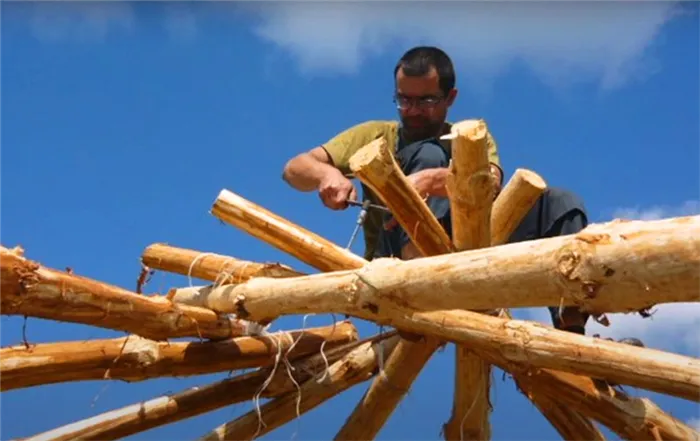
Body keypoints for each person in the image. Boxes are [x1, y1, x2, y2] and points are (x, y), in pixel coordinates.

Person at [282, 45, 638, 343]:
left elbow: (492, 184)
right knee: (429, 151)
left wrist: (434, 182)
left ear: (450, 98)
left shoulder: (470, 137)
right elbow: (294, 168)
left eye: (426, 101)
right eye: (404, 100)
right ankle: (420, 277)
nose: (413, 111)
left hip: (476, 247)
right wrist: (328, 175)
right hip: (396, 260)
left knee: (560, 203)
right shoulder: (376, 134)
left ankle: (571, 327)